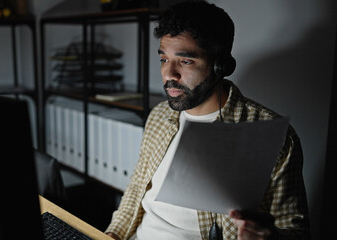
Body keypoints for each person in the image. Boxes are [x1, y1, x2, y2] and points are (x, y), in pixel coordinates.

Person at [105, 1, 310, 240]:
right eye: (164, 59)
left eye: (185, 61)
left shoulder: (273, 135)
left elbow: (296, 230)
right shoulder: (159, 115)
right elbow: (136, 188)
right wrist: (113, 234)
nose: (169, 74)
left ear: (221, 66)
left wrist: (271, 237)